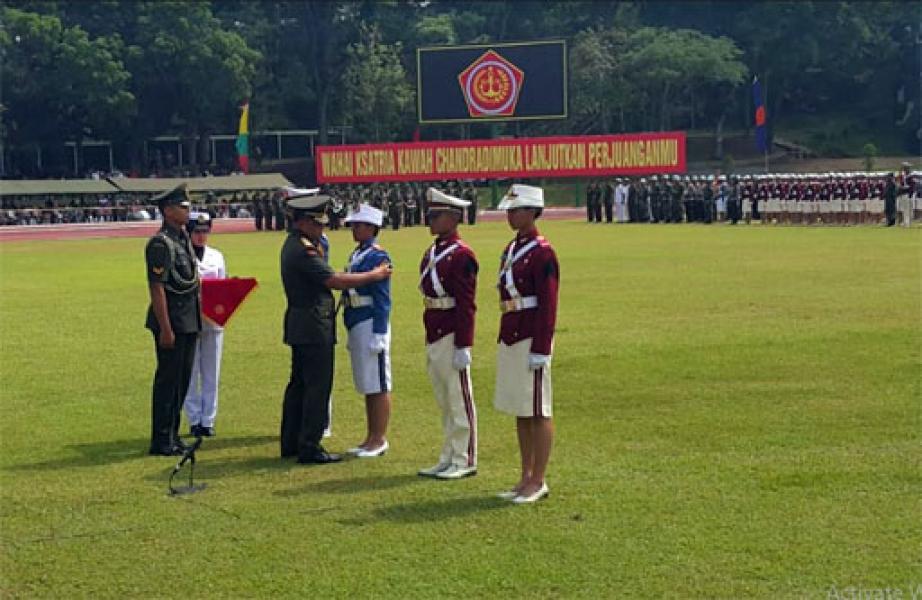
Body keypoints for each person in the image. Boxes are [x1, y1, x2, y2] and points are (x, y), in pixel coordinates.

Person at [279, 192, 391, 464]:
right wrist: (374, 275)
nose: (322, 229)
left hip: (302, 323)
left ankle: (292, 441)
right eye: (317, 224)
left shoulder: (295, 244)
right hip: (313, 325)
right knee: (316, 386)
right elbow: (334, 280)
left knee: (300, 385)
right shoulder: (303, 249)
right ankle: (309, 445)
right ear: (304, 222)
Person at [493, 184, 559, 504]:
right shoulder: (513, 247)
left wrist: (542, 348)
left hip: (531, 333)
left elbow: (548, 303)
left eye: (516, 209)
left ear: (533, 212)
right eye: (509, 210)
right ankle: (525, 475)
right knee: (521, 408)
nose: (510, 215)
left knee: (538, 408)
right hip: (512, 329)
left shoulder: (542, 251)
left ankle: (539, 479)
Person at [416, 188, 479, 480]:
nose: (430, 221)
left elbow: (467, 304)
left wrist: (464, 344)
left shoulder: (461, 255)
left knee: (458, 398)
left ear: (453, 218)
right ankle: (448, 455)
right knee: (444, 399)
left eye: (436, 215)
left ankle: (464, 458)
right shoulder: (433, 251)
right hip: (434, 327)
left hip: (452, 329)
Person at [144, 183, 201, 456]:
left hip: (188, 318)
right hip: (172, 321)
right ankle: (161, 438)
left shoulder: (182, 238)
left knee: (183, 381)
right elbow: (157, 287)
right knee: (168, 381)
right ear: (167, 211)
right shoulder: (160, 243)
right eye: (182, 207)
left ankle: (173, 434)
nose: (187, 211)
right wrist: (166, 328)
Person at [341, 204, 393, 458]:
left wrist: (380, 331)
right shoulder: (359, 254)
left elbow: (382, 297)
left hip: (371, 320)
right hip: (356, 319)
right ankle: (370, 436)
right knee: (367, 382)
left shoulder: (377, 257)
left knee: (378, 383)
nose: (354, 229)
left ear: (372, 228)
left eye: (358, 225)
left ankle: (379, 438)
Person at [183, 212, 226, 438]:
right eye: (197, 232)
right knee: (190, 373)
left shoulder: (217, 256)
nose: (201, 236)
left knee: (211, 372)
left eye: (205, 231)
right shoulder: (182, 255)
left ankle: (208, 420)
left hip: (213, 320)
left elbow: (222, 286)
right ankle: (193, 418)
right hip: (190, 320)